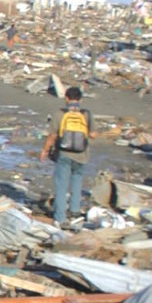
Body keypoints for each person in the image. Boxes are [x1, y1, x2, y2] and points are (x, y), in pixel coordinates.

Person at [42, 85, 92, 225]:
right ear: (81, 99)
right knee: (77, 181)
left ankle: (60, 217)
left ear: (66, 98)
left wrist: (44, 150)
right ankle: (75, 212)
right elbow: (93, 134)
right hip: (82, 154)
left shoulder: (60, 113)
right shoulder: (86, 114)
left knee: (61, 185)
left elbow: (52, 135)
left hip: (63, 153)